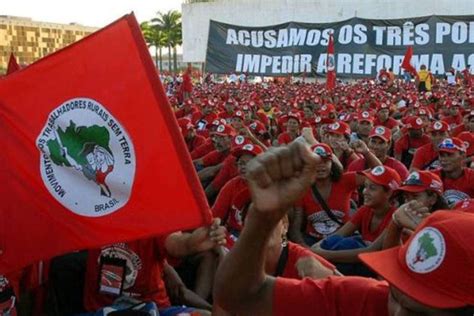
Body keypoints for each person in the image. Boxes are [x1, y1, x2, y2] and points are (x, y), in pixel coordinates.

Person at [213, 141, 474, 316]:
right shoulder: (368, 299)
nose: (396, 313)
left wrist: (317, 256)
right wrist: (263, 218)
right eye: (397, 292)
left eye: (420, 314)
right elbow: (237, 296)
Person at [84, 219, 227, 315]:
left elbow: (176, 244)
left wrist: (194, 242)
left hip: (156, 308)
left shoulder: (153, 217)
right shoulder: (89, 212)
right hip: (101, 310)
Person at [290, 142, 380, 247]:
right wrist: (305, 248)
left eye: (325, 162)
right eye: (316, 162)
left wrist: (366, 152)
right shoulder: (302, 189)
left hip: (342, 239)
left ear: (332, 164)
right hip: (312, 240)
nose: (321, 166)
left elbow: (379, 172)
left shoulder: (345, 180)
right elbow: (296, 226)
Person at [311, 166, 401, 268]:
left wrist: (324, 254)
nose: (365, 192)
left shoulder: (396, 217)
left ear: (389, 193)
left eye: (372, 188)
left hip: (381, 267)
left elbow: (370, 251)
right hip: (365, 263)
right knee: (334, 241)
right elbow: (339, 234)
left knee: (348, 245)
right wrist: (318, 246)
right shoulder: (365, 210)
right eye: (365, 186)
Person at [432, 137, 474, 206]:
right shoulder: (432, 177)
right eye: (442, 155)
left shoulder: (471, 177)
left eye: (450, 155)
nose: (444, 159)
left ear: (463, 156)